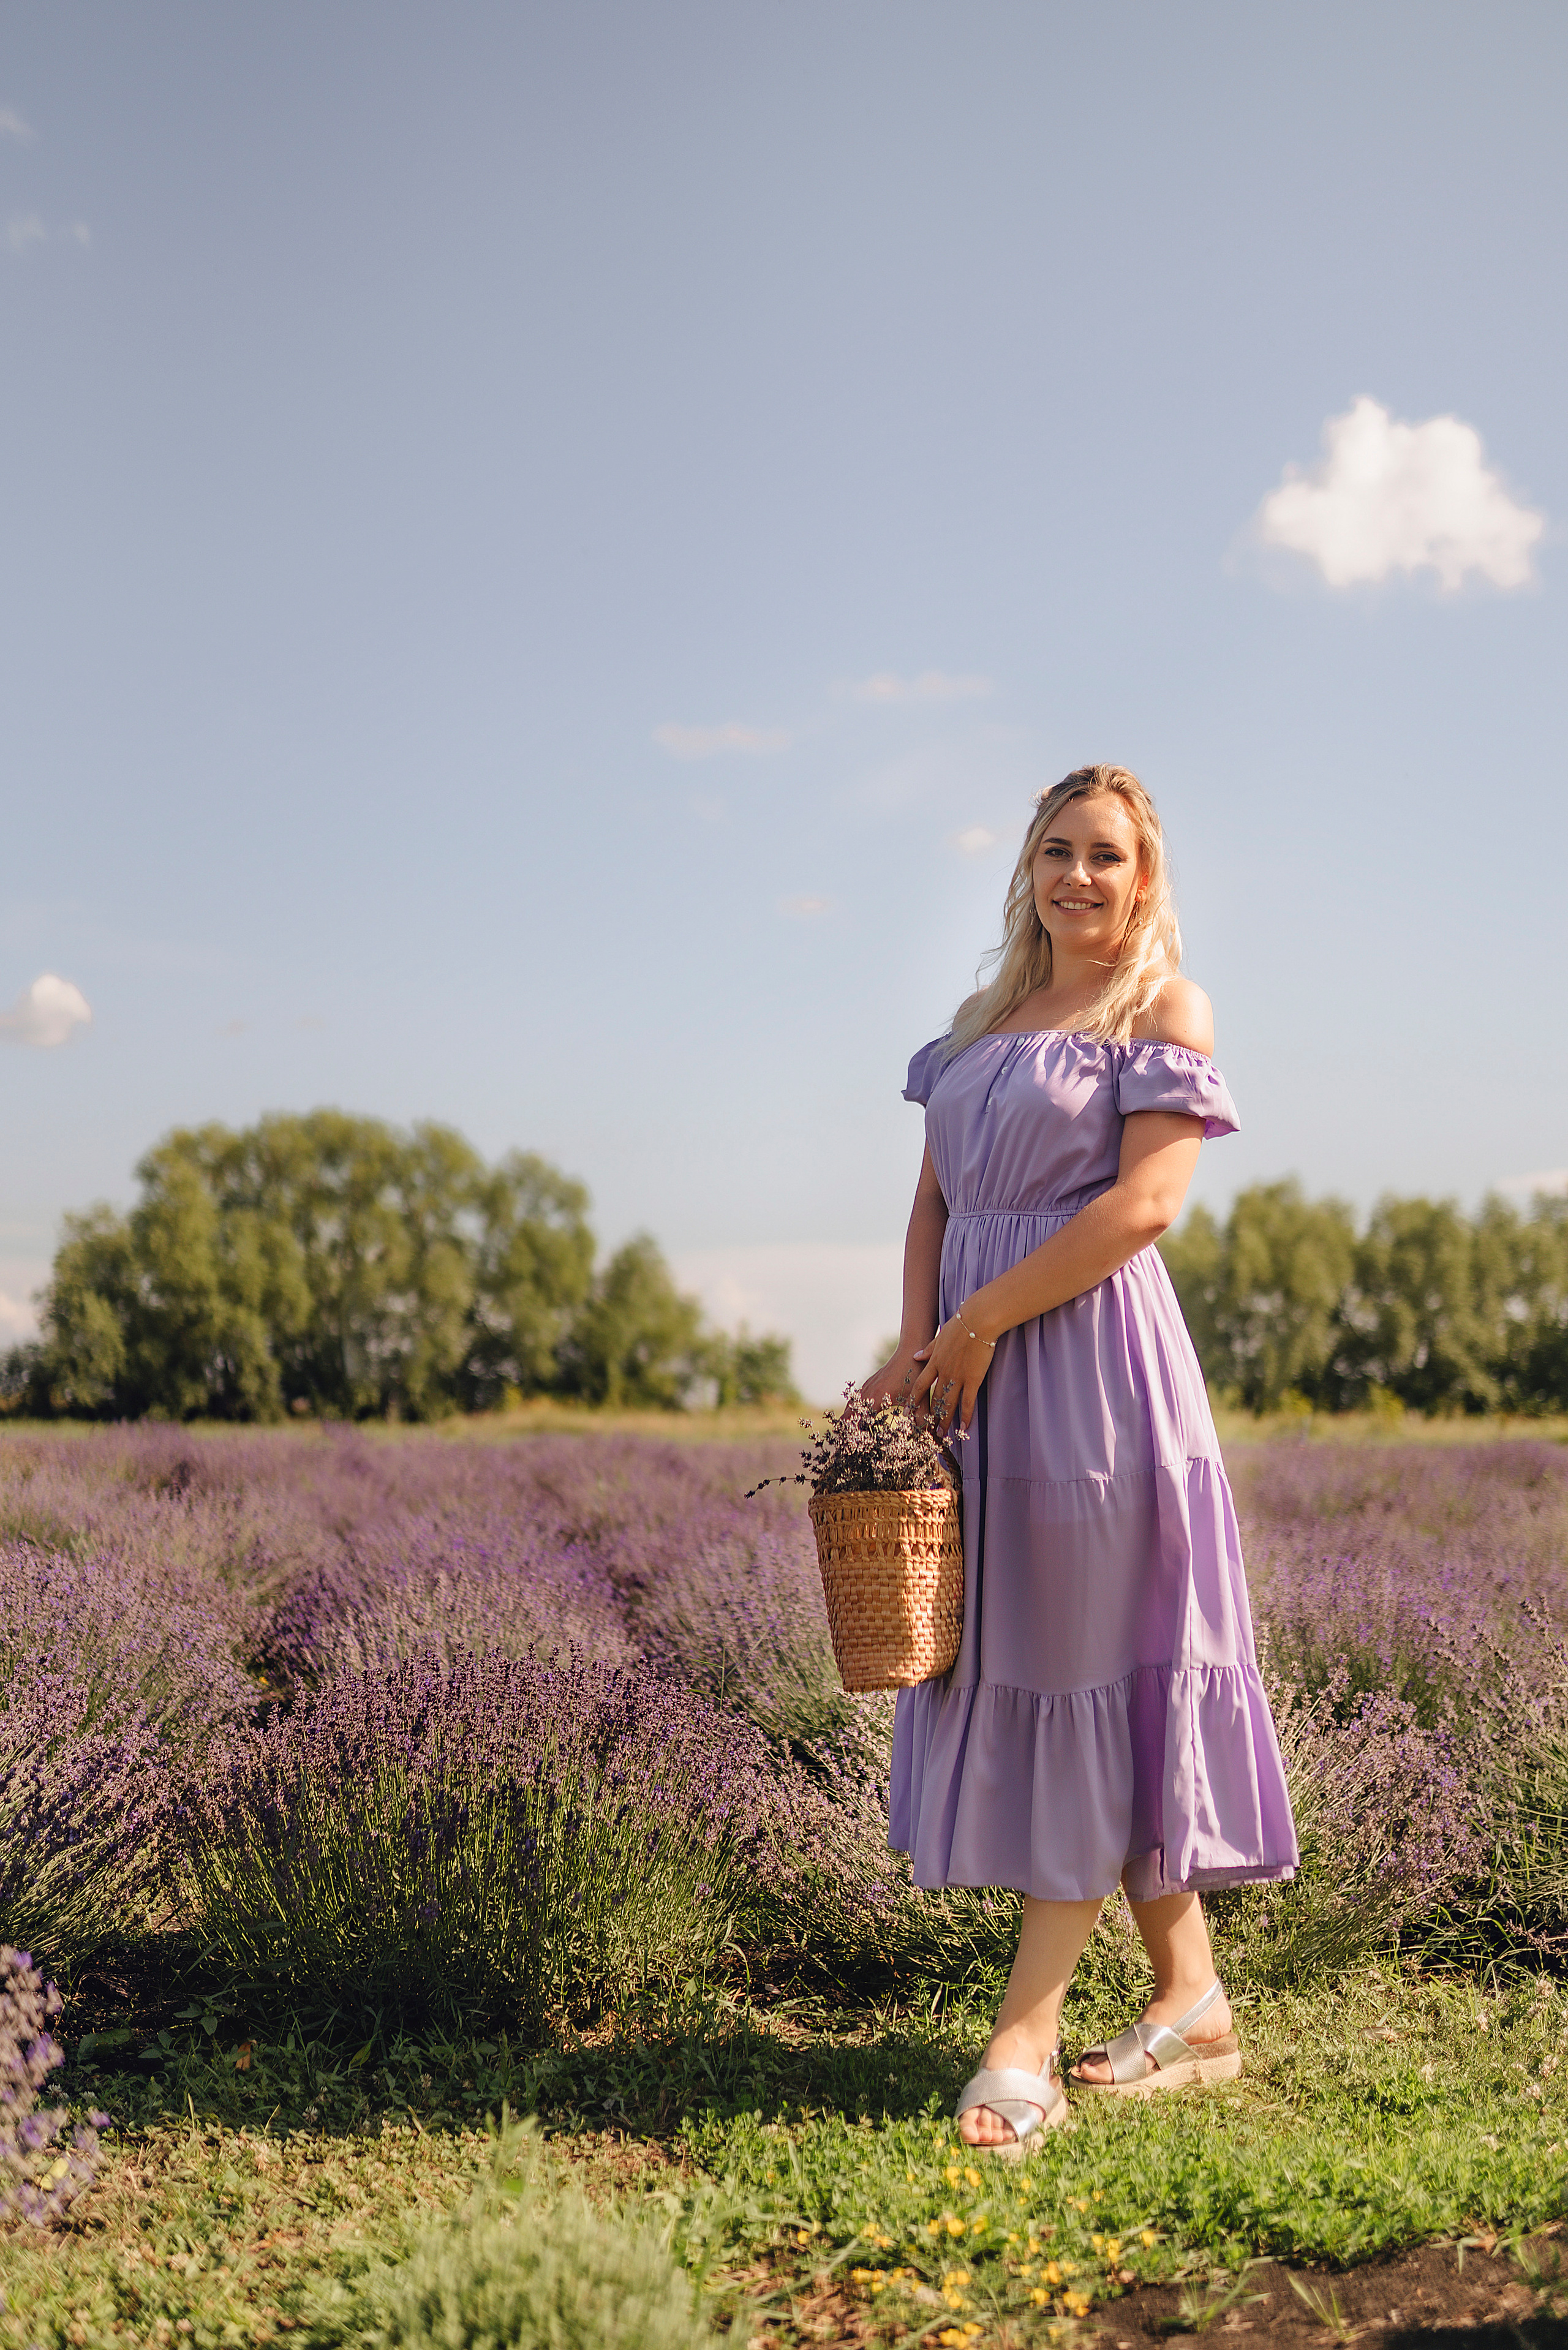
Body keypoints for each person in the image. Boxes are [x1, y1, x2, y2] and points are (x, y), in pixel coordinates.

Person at [864, 763, 1297, 2155]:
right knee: (1077, 1671)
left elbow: (1147, 1203)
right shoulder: (976, 1029)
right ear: (1028, 870)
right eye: (1057, 850)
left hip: (1096, 1377)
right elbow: (933, 1205)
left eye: (1106, 854)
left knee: (1086, 1673)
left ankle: (1025, 2035)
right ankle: (1193, 2002)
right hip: (976, 1378)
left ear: (1142, 875)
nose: (1078, 876)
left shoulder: (1162, 1009)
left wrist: (983, 1320)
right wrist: (920, 1347)